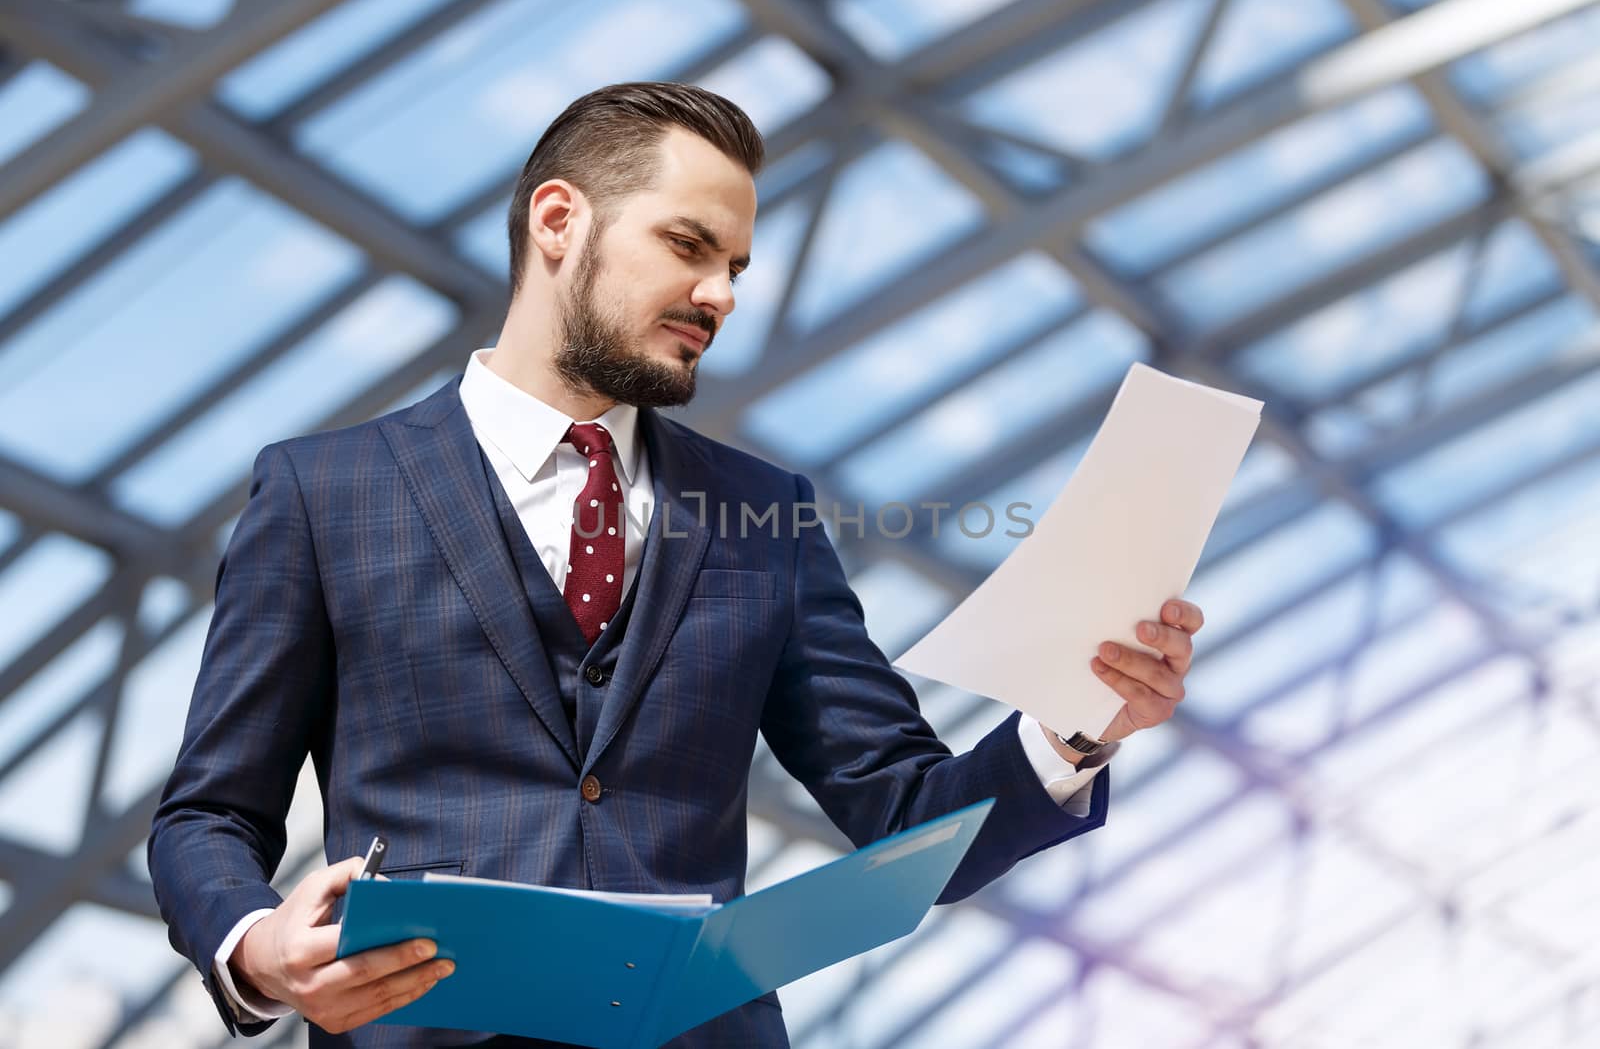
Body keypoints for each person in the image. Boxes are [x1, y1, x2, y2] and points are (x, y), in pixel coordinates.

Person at [148, 82, 1205, 1048]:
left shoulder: (763, 515)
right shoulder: (324, 492)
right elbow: (208, 810)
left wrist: (1074, 724)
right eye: (688, 245)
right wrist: (255, 949)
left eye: (736, 266)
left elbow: (907, 815)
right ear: (557, 221)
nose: (721, 293)